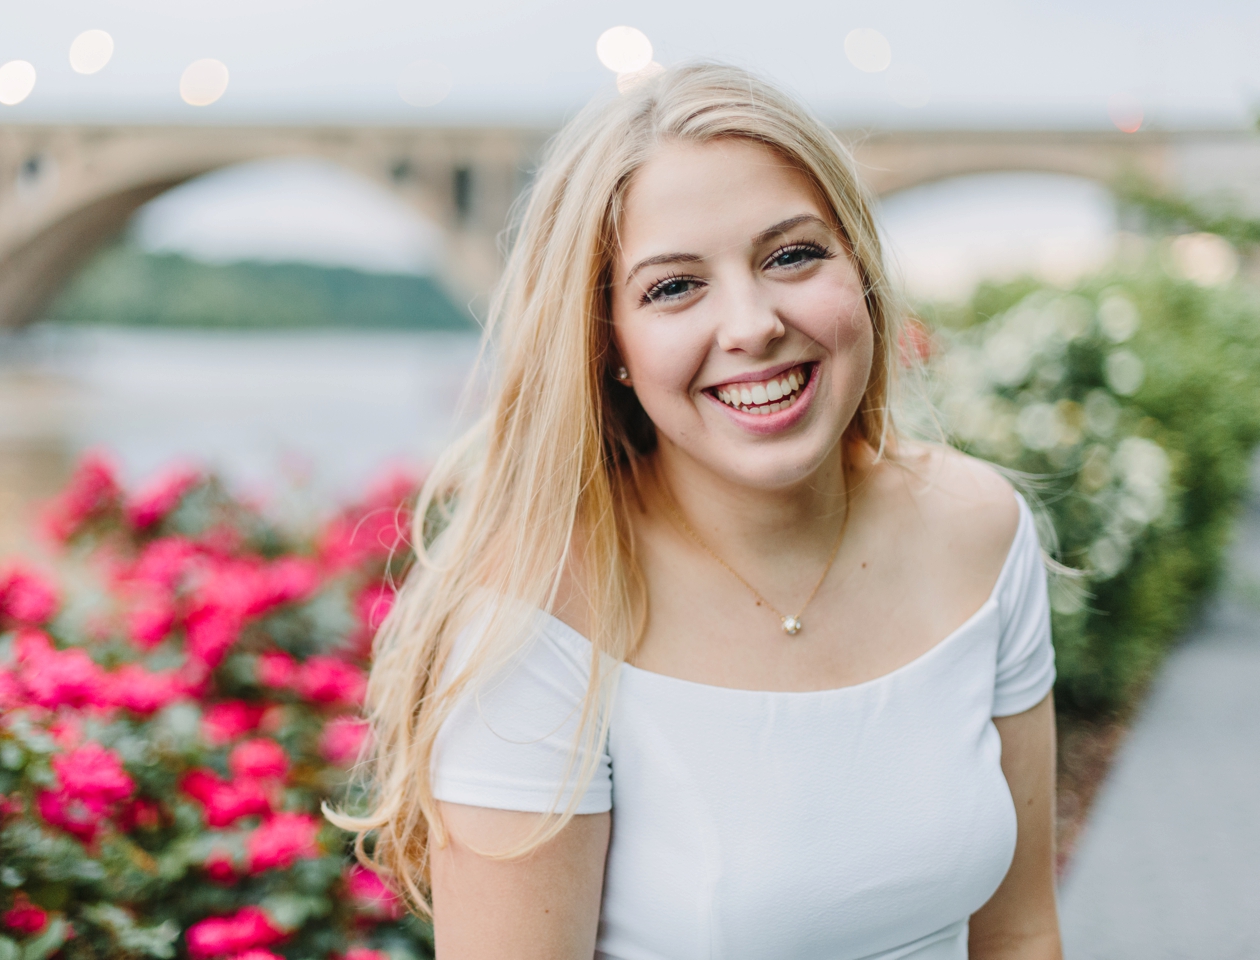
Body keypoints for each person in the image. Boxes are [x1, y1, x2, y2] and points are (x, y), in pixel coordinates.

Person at [329, 62, 1063, 959]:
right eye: (674, 287)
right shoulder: (542, 626)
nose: (752, 323)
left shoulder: (977, 534)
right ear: (610, 347)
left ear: (861, 271)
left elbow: (1021, 936)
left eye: (792, 255)